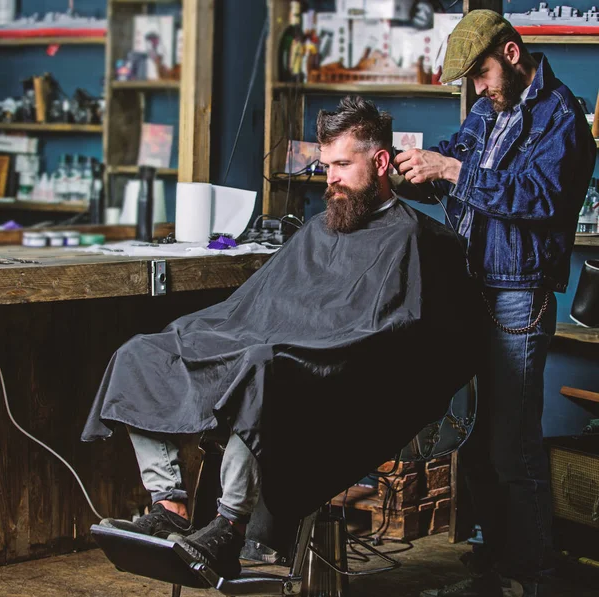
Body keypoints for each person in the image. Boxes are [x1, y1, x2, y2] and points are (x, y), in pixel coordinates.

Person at [82, 95, 482, 582]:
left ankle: (230, 526)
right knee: (144, 352)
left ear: (379, 162)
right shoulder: (321, 228)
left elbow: (397, 335)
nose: (329, 178)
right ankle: (170, 505)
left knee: (260, 364)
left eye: (340, 165)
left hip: (342, 373)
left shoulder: (412, 238)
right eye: (324, 165)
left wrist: (289, 347)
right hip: (272, 349)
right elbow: (256, 308)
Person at [392, 11, 597, 597]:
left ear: (510, 53)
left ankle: (531, 573)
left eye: (481, 74)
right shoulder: (489, 110)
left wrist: (454, 170)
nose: (477, 90)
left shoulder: (561, 118)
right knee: (477, 440)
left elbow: (539, 199)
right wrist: (412, 169)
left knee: (515, 443)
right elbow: (455, 161)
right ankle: (494, 563)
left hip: (518, 294)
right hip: (472, 286)